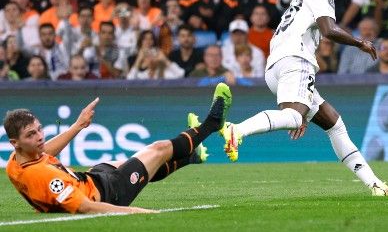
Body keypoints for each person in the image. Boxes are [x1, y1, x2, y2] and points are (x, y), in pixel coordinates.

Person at [221, 0, 388, 196]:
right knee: (294, 118)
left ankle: (375, 185)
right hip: (297, 61)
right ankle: (236, 130)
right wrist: (360, 43)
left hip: (276, 66)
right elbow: (329, 30)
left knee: (334, 123)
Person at [4, 84, 231, 214]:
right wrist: (140, 212)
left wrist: (78, 125)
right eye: (31, 135)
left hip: (91, 179)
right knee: (158, 149)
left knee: (129, 163)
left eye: (39, 129)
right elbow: (86, 208)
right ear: (15, 142)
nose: (40, 137)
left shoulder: (16, 161)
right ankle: (211, 124)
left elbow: (46, 153)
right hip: (111, 194)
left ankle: (189, 156)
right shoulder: (44, 177)